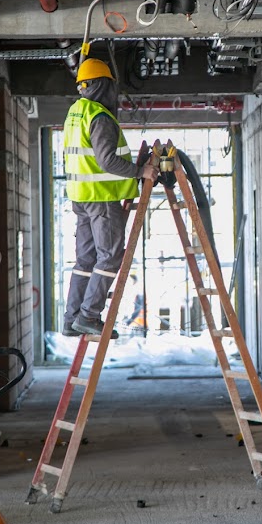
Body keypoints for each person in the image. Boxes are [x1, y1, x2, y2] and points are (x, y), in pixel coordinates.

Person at [62, 58, 157, 338]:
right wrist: (142, 171)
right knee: (110, 257)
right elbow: (106, 162)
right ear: (104, 86)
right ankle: (89, 316)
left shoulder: (76, 112)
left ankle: (71, 319)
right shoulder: (100, 117)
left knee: (86, 260)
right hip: (101, 199)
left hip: (81, 197)